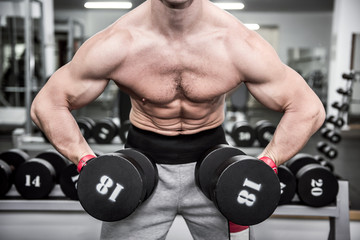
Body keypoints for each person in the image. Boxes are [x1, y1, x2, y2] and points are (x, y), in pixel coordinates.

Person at [31, 0, 326, 239]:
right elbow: (47, 104)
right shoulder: (119, 43)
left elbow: (307, 108)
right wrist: (86, 161)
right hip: (139, 170)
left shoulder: (236, 43)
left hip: (215, 171)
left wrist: (266, 163)